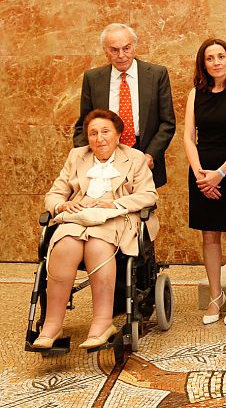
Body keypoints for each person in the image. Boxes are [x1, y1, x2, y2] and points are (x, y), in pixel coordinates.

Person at [32, 109, 159, 351]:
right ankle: (52, 324)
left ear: (118, 135)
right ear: (87, 138)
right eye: (93, 133)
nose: (99, 138)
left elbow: (148, 195)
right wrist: (63, 204)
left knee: (98, 245)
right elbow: (54, 194)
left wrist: (114, 203)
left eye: (105, 132)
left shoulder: (134, 158)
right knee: (64, 245)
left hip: (116, 216)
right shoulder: (77, 156)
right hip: (78, 215)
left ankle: (102, 323)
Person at [184, 39, 226, 326]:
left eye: (220, 56)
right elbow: (189, 136)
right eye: (209, 58)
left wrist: (220, 173)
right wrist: (200, 173)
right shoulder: (194, 93)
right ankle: (215, 295)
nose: (215, 62)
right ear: (203, 63)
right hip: (201, 172)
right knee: (209, 235)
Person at [73, 23, 176, 189]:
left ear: (134, 46)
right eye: (114, 50)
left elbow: (167, 123)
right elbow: (83, 125)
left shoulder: (157, 74)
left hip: (143, 154)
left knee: (141, 210)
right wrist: (90, 157)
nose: (121, 55)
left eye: (126, 48)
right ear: (105, 51)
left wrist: (150, 156)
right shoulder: (93, 79)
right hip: (104, 156)